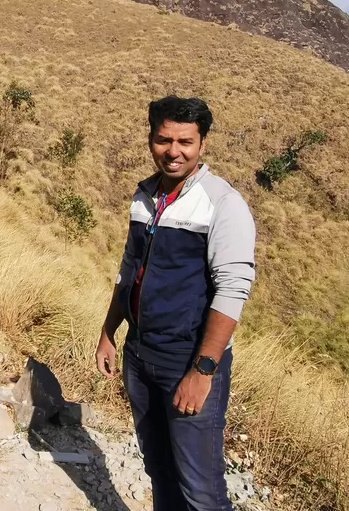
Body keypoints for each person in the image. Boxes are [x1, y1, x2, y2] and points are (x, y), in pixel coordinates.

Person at [95, 96, 256, 511]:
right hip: (140, 353)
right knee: (159, 468)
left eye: (185, 141)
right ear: (151, 140)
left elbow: (233, 290)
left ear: (202, 144)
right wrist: (108, 332)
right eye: (164, 140)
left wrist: (203, 371)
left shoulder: (222, 203)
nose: (174, 151)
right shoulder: (144, 196)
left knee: (201, 489)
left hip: (187, 360)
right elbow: (129, 269)